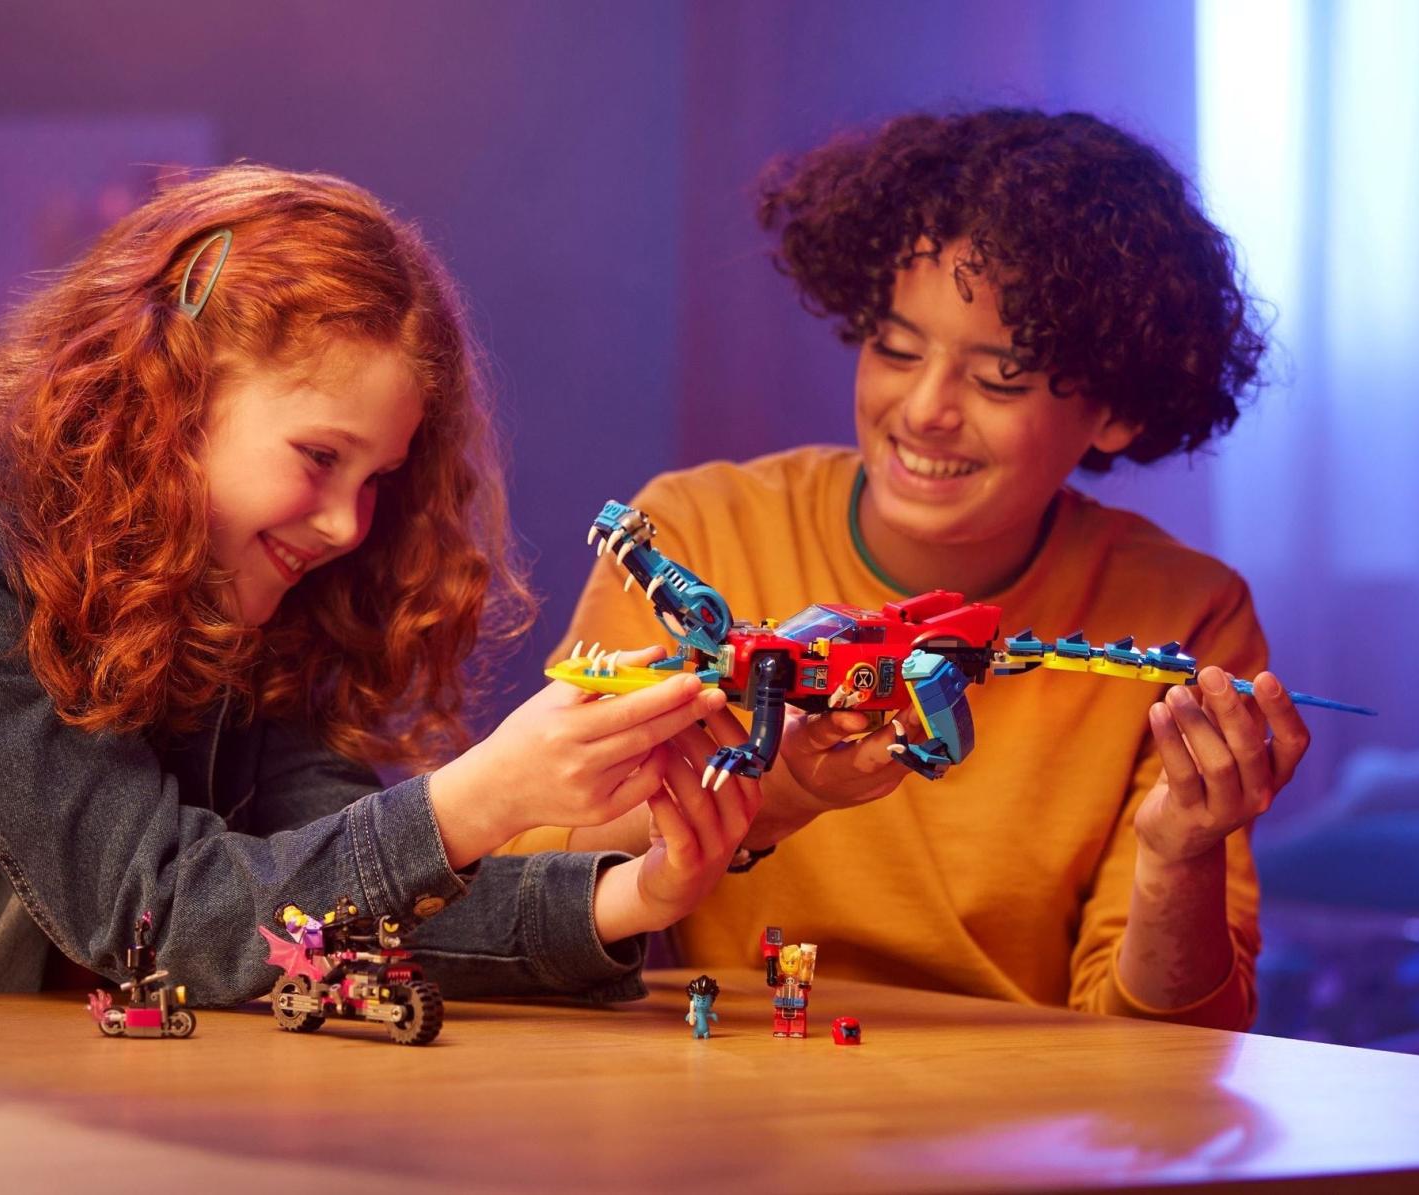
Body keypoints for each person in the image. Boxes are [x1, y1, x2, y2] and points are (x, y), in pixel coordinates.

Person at [0, 166, 755, 1003]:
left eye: (376, 479)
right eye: (319, 456)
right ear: (172, 396)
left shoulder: (244, 604)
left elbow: (330, 908)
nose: (347, 524)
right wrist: (486, 795)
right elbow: (161, 914)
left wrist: (628, 896)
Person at [531, 109, 1310, 1031]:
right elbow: (530, 880)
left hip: (1035, 1104)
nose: (925, 409)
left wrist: (1182, 858)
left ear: (1118, 410)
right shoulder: (702, 528)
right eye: (897, 349)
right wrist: (778, 795)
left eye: (1001, 378)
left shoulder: (1187, 612)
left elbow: (1171, 1044)